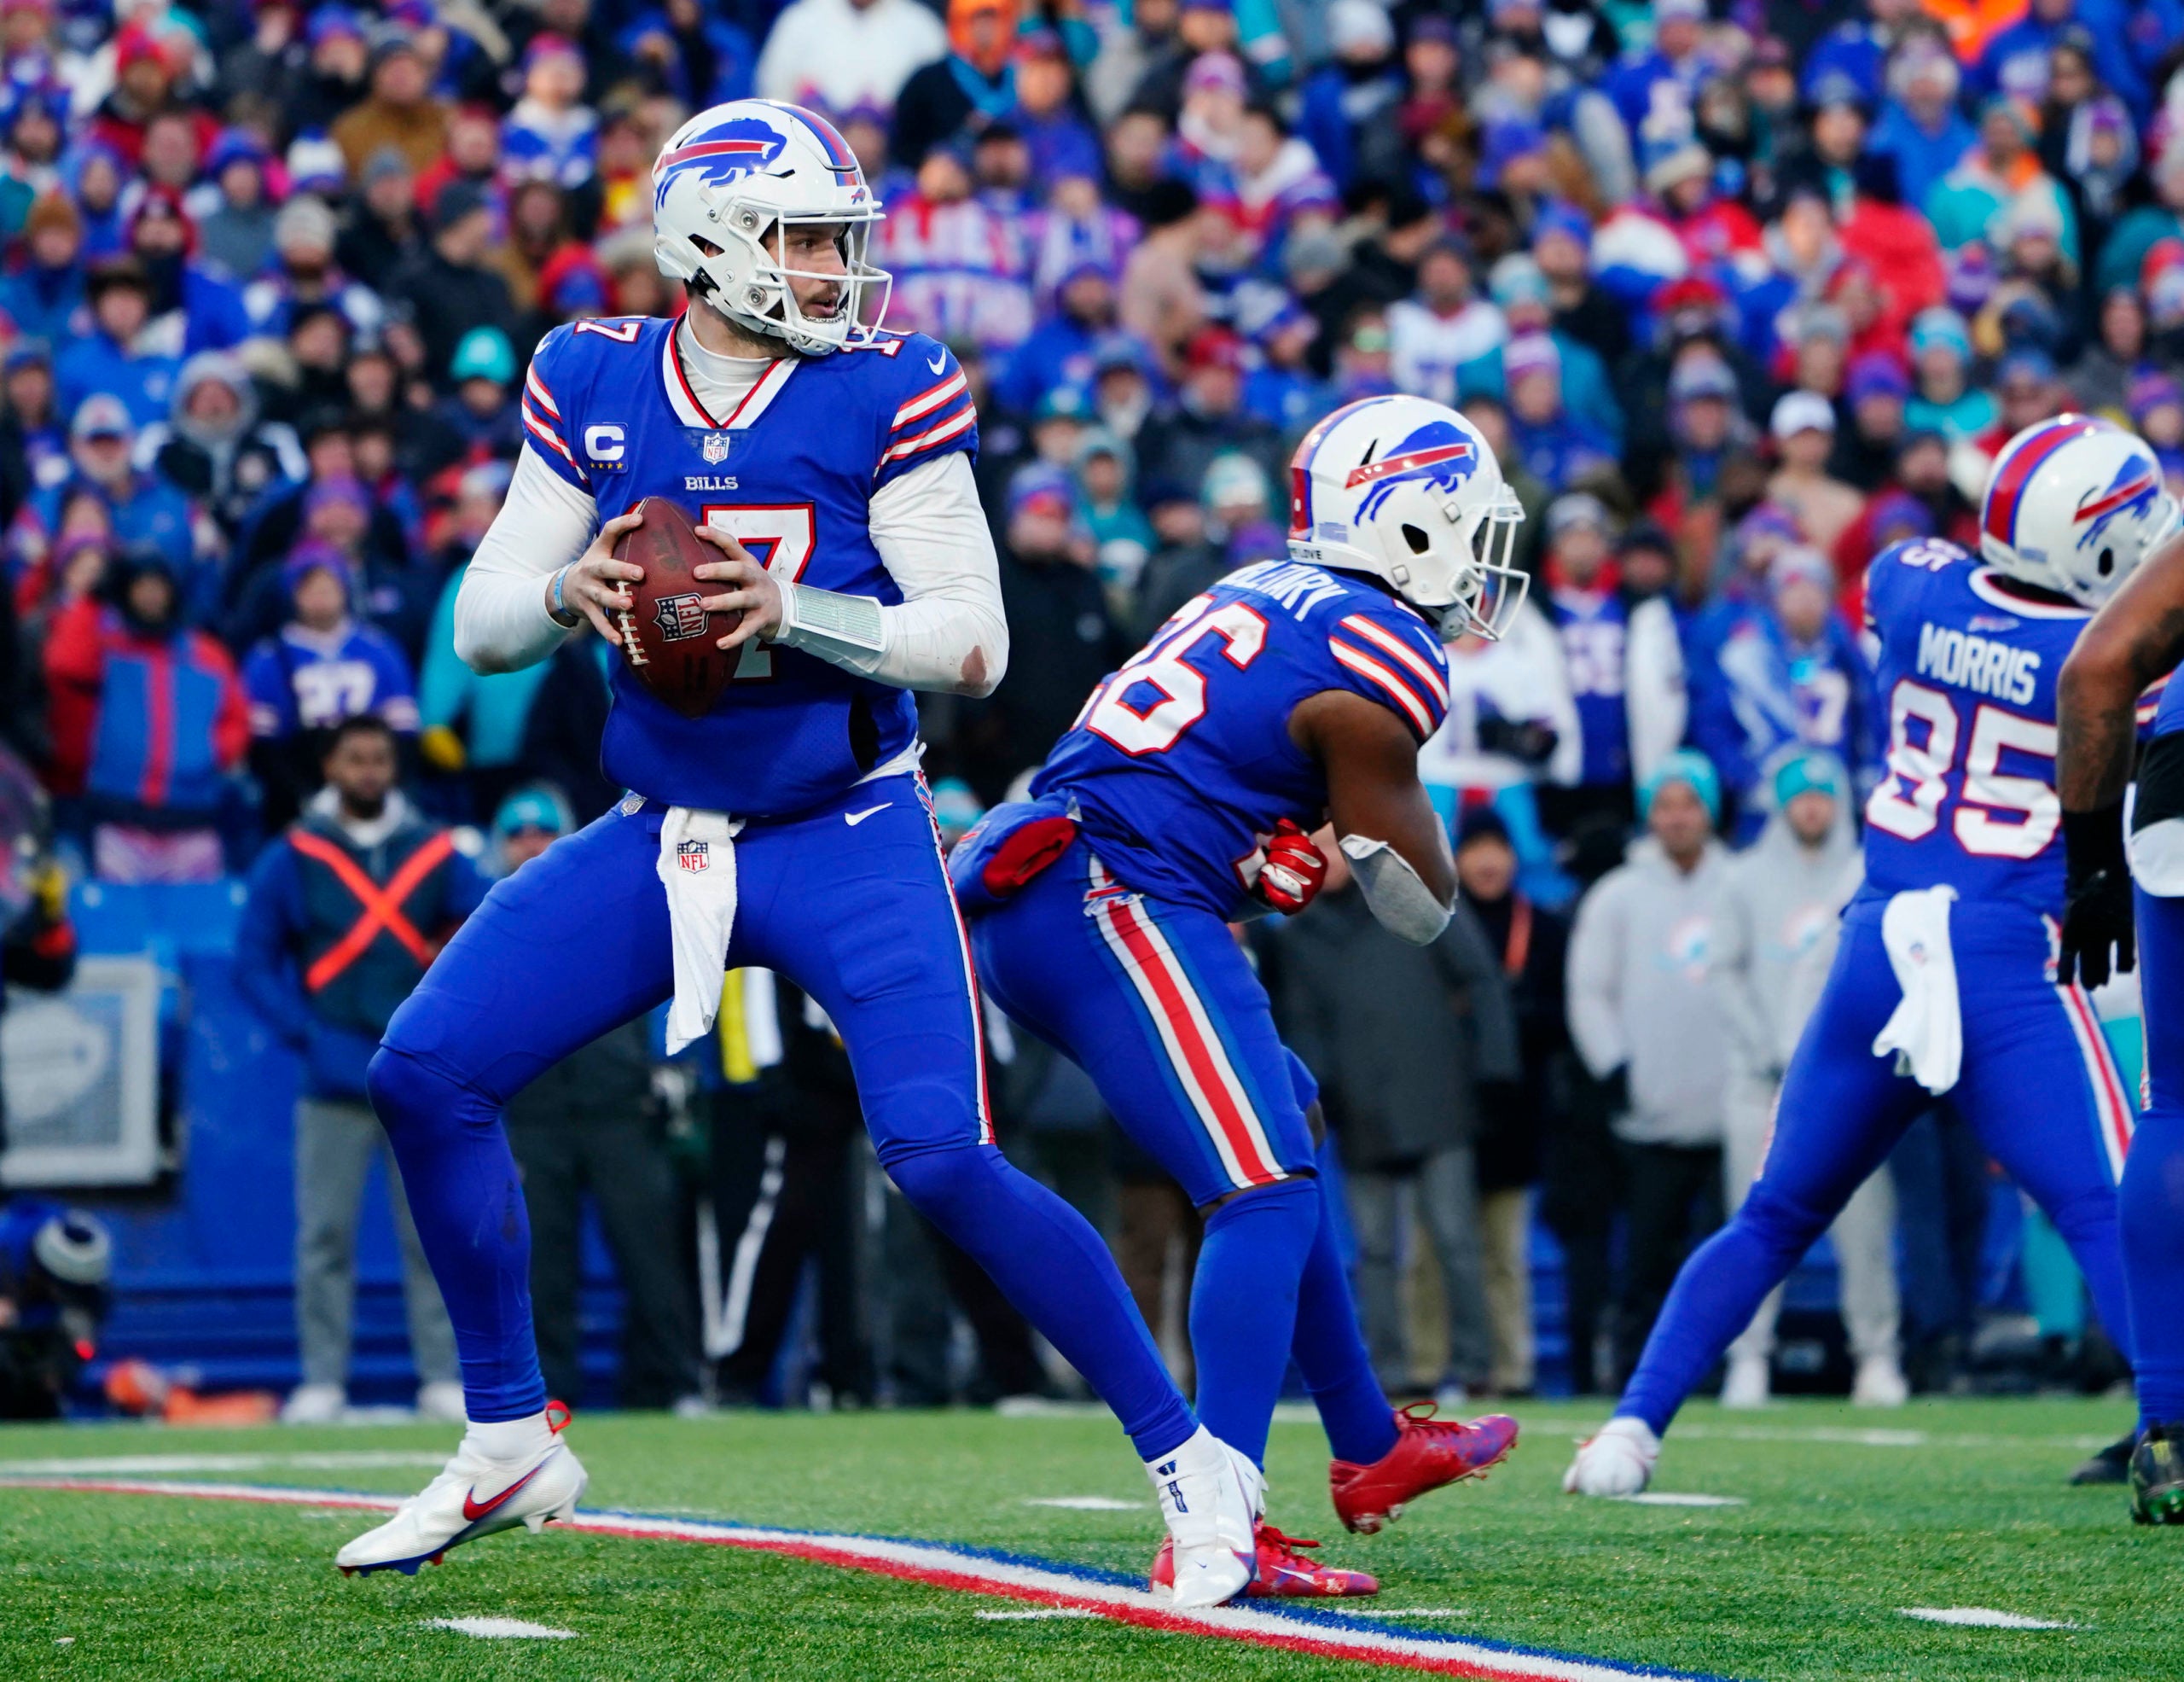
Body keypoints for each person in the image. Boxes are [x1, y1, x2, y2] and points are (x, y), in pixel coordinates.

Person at [338, 100, 1259, 1607]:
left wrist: (794, 613)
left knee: (944, 1159)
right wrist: (573, 588)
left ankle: (1192, 1465)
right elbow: (481, 618)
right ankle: (508, 1431)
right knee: (422, 1070)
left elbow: (972, 638)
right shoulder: (593, 371)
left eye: (841, 238)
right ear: (707, 241)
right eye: (806, 238)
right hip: (663, 830)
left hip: (848, 829)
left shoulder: (887, 387)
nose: (838, 270)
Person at [966, 395, 1529, 1596]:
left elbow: (1216, 767)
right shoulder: (1381, 648)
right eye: (1471, 526)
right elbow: (1417, 898)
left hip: (1063, 877)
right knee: (1262, 1184)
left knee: (1288, 1120)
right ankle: (1217, 1514)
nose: (1484, 556)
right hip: (1113, 892)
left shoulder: (1261, 588)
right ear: (1408, 528)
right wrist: (1328, 848)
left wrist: (1281, 843)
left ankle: (1370, 1441)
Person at [1568, 417, 2168, 1499]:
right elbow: (2115, 688)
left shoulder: (1910, 582)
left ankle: (1628, 1432)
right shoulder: (2101, 663)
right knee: (2110, 1202)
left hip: (1878, 940)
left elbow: (1914, 602)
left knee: (1774, 1217)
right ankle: (2166, 1420)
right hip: (2003, 956)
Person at [234, 714, 483, 1426]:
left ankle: (441, 1375)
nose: (368, 770)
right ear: (330, 769)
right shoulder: (296, 854)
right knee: (323, 1236)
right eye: (354, 759)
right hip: (332, 1075)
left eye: (379, 758)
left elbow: (485, 934)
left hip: (420, 1079)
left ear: (394, 767)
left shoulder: (435, 852)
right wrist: (303, 1033)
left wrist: (449, 1026)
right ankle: (322, 1380)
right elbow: (251, 958)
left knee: (432, 1232)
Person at [2056, 420, 2184, 1522]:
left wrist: (2091, 859)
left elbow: (2101, 663)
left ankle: (2170, 1423)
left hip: (2172, 776)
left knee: (2176, 1111)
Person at [1705, 751, 1907, 1411]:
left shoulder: (1867, 872)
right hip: (1761, 1081)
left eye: (1824, 796)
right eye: (1802, 797)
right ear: (1784, 805)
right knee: (1753, 1220)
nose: (1813, 807)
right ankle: (1749, 1357)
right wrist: (1766, 1046)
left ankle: (1876, 1354)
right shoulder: (1741, 879)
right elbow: (1723, 971)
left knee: (1867, 1228)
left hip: (1850, 1080)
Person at [491, 786, 700, 1412]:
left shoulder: (613, 902)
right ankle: (549, 1390)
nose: (531, 842)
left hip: (617, 1102)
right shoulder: (491, 919)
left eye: (542, 830)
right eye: (518, 832)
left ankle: (667, 1382)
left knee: (647, 1251)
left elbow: (665, 975)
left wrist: (668, 1064)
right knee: (543, 1260)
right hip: (535, 1108)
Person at [1565, 750, 1732, 1386]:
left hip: (1728, 1108)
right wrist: (1615, 1064)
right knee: (1644, 1261)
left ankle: (1720, 1373)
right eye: (1665, 805)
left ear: (1709, 811)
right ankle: (1636, 1373)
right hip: (1649, 1113)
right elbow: (1589, 989)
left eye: (1690, 803)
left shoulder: (1738, 884)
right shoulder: (1618, 895)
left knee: (1721, 1258)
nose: (1678, 817)